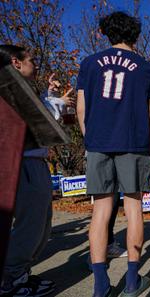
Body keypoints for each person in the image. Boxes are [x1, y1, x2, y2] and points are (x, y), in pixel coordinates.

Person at [76, 12, 150, 297]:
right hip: (133, 143)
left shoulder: (89, 64)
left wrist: (91, 137)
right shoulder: (148, 69)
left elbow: (81, 108)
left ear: (106, 33)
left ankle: (100, 285)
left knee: (101, 211)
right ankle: (132, 281)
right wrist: (148, 148)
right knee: (134, 208)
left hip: (99, 142)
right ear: (135, 35)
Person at [0, 45, 74, 297]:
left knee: (40, 226)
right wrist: (57, 102)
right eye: (31, 60)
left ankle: (19, 275)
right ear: (16, 62)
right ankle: (11, 280)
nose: (36, 64)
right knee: (30, 226)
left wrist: (49, 95)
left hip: (33, 163)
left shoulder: (18, 89)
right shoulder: (10, 89)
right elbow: (38, 124)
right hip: (26, 164)